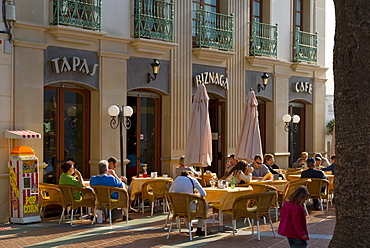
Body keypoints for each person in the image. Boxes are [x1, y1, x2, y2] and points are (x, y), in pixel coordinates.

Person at [169, 170, 207, 236]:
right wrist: (196, 194)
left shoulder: (176, 180)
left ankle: (189, 225)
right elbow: (204, 194)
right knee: (205, 206)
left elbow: (170, 192)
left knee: (185, 205)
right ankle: (199, 228)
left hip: (177, 208)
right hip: (189, 208)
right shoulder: (192, 180)